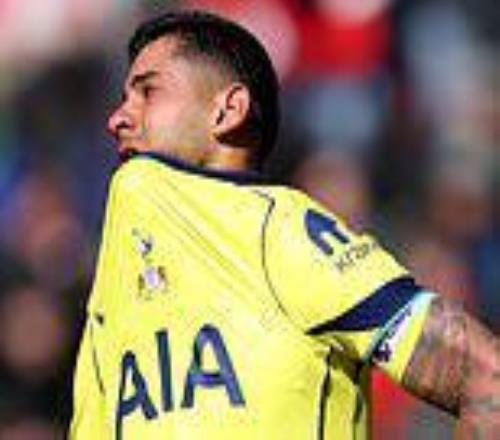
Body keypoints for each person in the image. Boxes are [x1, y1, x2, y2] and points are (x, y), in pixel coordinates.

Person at [70, 10, 500, 439]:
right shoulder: (110, 294)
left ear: (227, 110)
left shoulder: (278, 231)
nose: (117, 119)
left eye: (148, 91)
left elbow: (487, 379)